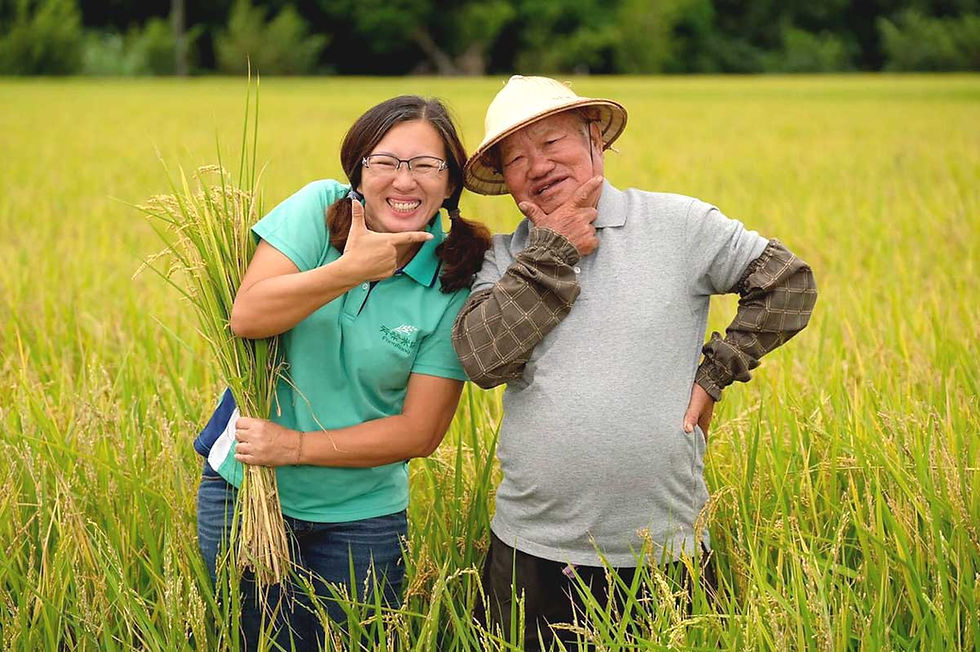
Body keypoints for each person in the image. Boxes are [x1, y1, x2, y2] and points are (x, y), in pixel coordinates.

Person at [451, 75, 817, 649]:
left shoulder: (679, 226)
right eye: (517, 157)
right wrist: (555, 250)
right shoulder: (506, 258)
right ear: (506, 180)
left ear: (595, 139)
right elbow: (481, 359)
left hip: (665, 549)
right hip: (532, 548)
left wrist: (717, 371)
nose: (538, 165)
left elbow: (788, 284)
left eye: (551, 144)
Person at [195, 94, 491, 648]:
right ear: (359, 170)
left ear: (450, 183)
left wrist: (296, 447)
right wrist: (351, 270)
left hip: (361, 519)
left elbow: (419, 432)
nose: (405, 181)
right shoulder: (315, 209)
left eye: (426, 165)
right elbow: (248, 316)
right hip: (244, 490)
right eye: (386, 162)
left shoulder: (455, 278)